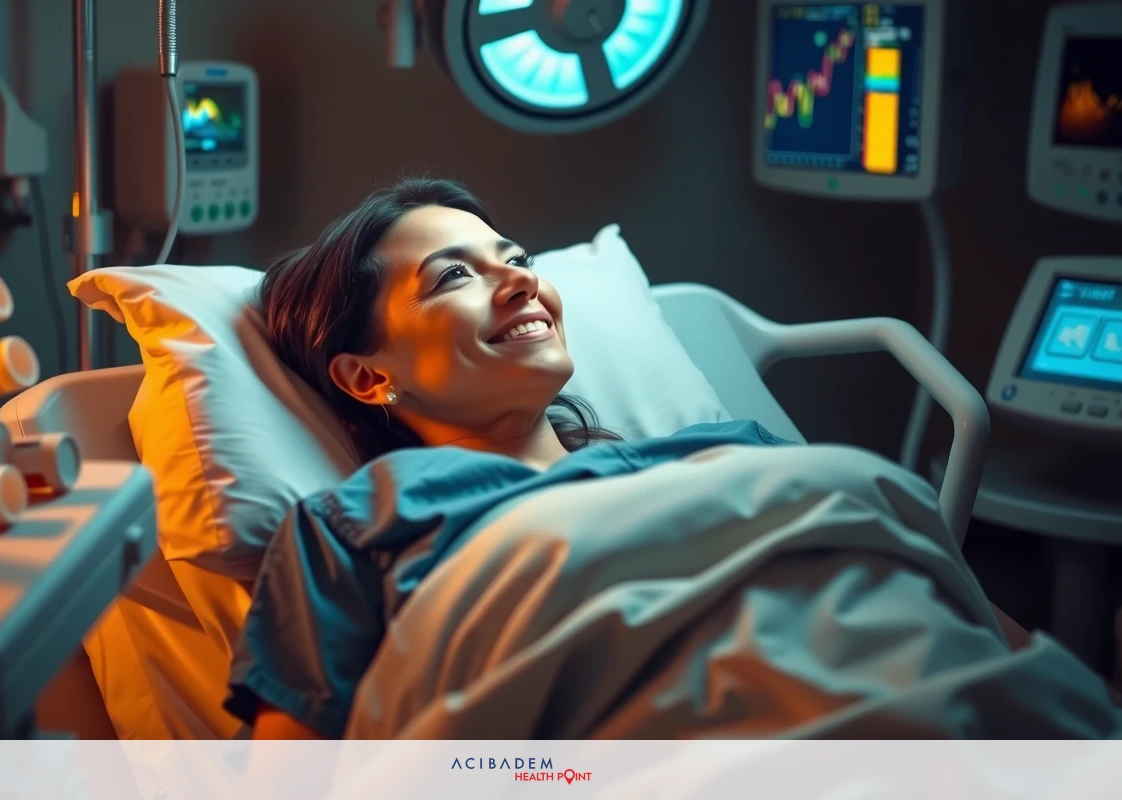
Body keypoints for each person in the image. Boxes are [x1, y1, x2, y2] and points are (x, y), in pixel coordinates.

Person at [225, 177, 1117, 741]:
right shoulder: (363, 519)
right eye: (454, 275)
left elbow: (979, 637)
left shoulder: (729, 452)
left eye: (516, 257)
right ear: (366, 376)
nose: (521, 280)